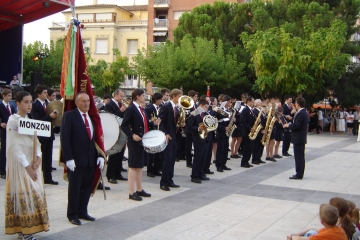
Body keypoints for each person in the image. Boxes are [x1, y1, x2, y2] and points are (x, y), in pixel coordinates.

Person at [5, 91, 49, 240]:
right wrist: (27, 166)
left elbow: (36, 140)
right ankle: (25, 231)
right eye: (25, 102)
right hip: (20, 165)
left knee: (34, 194)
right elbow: (14, 146)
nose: (29, 105)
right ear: (17, 103)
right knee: (23, 195)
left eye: (30, 101)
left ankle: (26, 229)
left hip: (32, 162)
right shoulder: (13, 120)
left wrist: (38, 158)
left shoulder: (30, 120)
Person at [60, 92, 105, 225]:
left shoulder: (91, 117)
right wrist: (68, 158)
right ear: (76, 103)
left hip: (90, 159)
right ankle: (72, 214)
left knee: (86, 187)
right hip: (75, 160)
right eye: (83, 101)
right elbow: (65, 138)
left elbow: (94, 140)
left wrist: (100, 156)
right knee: (75, 187)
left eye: (88, 101)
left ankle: (82, 211)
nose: (86, 104)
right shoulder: (69, 116)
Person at [121, 89, 160, 201]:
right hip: (134, 141)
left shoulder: (141, 108)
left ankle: (139, 189)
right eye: (143, 95)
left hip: (142, 140)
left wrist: (153, 123)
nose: (144, 97)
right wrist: (132, 135)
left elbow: (145, 123)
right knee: (133, 167)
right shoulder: (131, 109)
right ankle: (131, 192)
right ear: (137, 97)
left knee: (139, 166)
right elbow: (124, 126)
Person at [30, 85, 58, 185]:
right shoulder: (35, 105)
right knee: (39, 157)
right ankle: (37, 176)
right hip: (41, 134)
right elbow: (36, 121)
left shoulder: (48, 103)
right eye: (44, 92)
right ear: (39, 94)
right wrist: (49, 117)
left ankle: (48, 177)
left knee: (48, 156)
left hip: (49, 133)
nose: (47, 94)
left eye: (47, 92)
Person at [158, 89, 184, 191]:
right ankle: (163, 182)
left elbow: (177, 123)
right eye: (179, 97)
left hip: (175, 137)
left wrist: (182, 124)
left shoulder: (178, 108)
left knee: (172, 159)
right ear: (173, 96)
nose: (180, 99)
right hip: (168, 137)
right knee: (167, 159)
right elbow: (161, 122)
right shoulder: (166, 107)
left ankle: (170, 180)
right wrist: (165, 133)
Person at [104, 89, 127, 184]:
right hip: (113, 131)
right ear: (116, 95)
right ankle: (110, 175)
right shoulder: (109, 105)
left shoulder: (121, 104)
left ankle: (118, 173)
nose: (122, 98)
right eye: (121, 96)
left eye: (123, 96)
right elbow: (109, 118)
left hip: (122, 131)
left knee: (120, 153)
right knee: (114, 154)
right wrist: (120, 111)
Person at [283, 97, 309, 180]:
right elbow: (298, 122)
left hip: (298, 138)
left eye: (295, 103)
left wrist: (289, 125)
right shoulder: (303, 112)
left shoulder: (301, 113)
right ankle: (300, 172)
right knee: (301, 156)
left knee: (298, 157)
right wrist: (292, 119)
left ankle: (299, 173)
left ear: (298, 104)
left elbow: (297, 126)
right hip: (300, 138)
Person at [188, 99, 211, 183]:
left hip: (205, 137)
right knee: (198, 158)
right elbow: (190, 127)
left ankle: (201, 173)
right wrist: (198, 128)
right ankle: (194, 175)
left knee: (203, 157)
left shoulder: (205, 114)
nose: (206, 109)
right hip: (198, 138)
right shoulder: (194, 113)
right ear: (200, 105)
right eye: (205, 107)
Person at [145, 92, 163, 177]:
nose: (162, 101)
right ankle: (150, 170)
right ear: (156, 100)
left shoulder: (162, 107)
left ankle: (156, 169)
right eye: (160, 99)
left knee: (158, 152)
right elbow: (146, 120)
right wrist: (153, 123)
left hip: (159, 132)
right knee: (151, 153)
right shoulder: (149, 108)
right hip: (152, 131)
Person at [0, 89, 15, 179]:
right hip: (3, 130)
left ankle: (8, 168)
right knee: (3, 149)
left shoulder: (11, 106)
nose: (10, 97)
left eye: (11, 95)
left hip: (11, 130)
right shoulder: (1, 105)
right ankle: (2, 171)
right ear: (4, 96)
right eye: (9, 95)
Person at [215, 95, 233, 172]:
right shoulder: (219, 110)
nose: (230, 104)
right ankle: (218, 165)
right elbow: (216, 122)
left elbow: (227, 120)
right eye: (229, 102)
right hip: (221, 132)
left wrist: (232, 120)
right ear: (225, 102)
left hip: (227, 132)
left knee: (225, 149)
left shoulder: (228, 110)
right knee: (220, 149)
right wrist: (224, 128)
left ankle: (223, 164)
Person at [240, 96, 256, 168]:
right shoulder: (245, 110)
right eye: (252, 102)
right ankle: (244, 162)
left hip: (251, 131)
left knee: (250, 147)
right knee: (246, 147)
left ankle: (247, 161)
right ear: (248, 102)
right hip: (246, 131)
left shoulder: (251, 110)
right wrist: (249, 128)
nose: (253, 103)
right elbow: (242, 121)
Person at [185, 90, 198, 168]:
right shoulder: (187, 105)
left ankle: (193, 161)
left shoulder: (196, 105)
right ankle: (189, 162)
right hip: (189, 128)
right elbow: (186, 116)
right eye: (195, 96)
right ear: (191, 97)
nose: (196, 98)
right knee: (188, 146)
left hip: (195, 127)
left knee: (195, 145)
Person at [251, 99, 267, 164]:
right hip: (258, 130)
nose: (261, 104)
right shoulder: (254, 111)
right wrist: (261, 130)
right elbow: (255, 122)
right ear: (257, 104)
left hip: (263, 129)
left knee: (261, 145)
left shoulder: (261, 111)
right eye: (260, 103)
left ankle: (259, 157)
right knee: (256, 145)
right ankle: (254, 159)